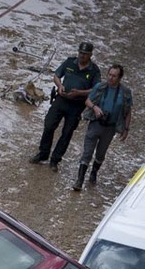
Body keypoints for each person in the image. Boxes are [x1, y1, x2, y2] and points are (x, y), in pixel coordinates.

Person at [30, 42, 101, 171]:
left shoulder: (94, 70)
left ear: (90, 55)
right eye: (80, 53)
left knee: (67, 133)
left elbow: (96, 89)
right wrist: (60, 86)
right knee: (49, 125)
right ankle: (43, 153)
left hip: (77, 105)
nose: (82, 56)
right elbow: (57, 75)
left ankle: (55, 160)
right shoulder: (69, 62)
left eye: (85, 54)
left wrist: (80, 93)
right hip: (61, 99)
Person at [72, 64, 133, 191]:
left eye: (114, 76)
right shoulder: (100, 87)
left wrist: (126, 129)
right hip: (96, 123)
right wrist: (95, 108)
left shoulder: (125, 93)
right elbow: (88, 101)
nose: (111, 78)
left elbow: (128, 111)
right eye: (109, 75)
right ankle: (80, 179)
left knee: (101, 153)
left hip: (110, 128)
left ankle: (94, 173)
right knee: (87, 152)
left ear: (120, 77)